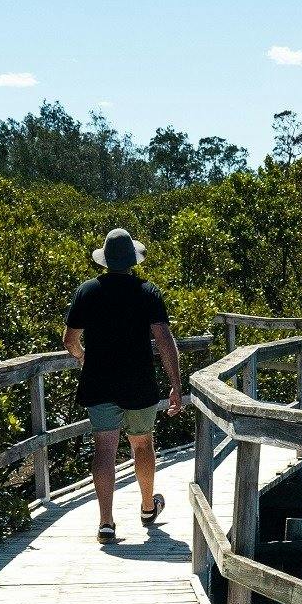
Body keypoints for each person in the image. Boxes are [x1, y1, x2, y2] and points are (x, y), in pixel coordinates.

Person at [64, 227, 184, 543]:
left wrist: (83, 357)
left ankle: (106, 522)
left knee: (105, 447)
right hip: (138, 382)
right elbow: (164, 339)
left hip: (99, 381)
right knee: (142, 442)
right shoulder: (148, 291)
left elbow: (70, 340)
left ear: (104, 261)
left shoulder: (87, 291)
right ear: (132, 260)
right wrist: (176, 383)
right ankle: (147, 507)